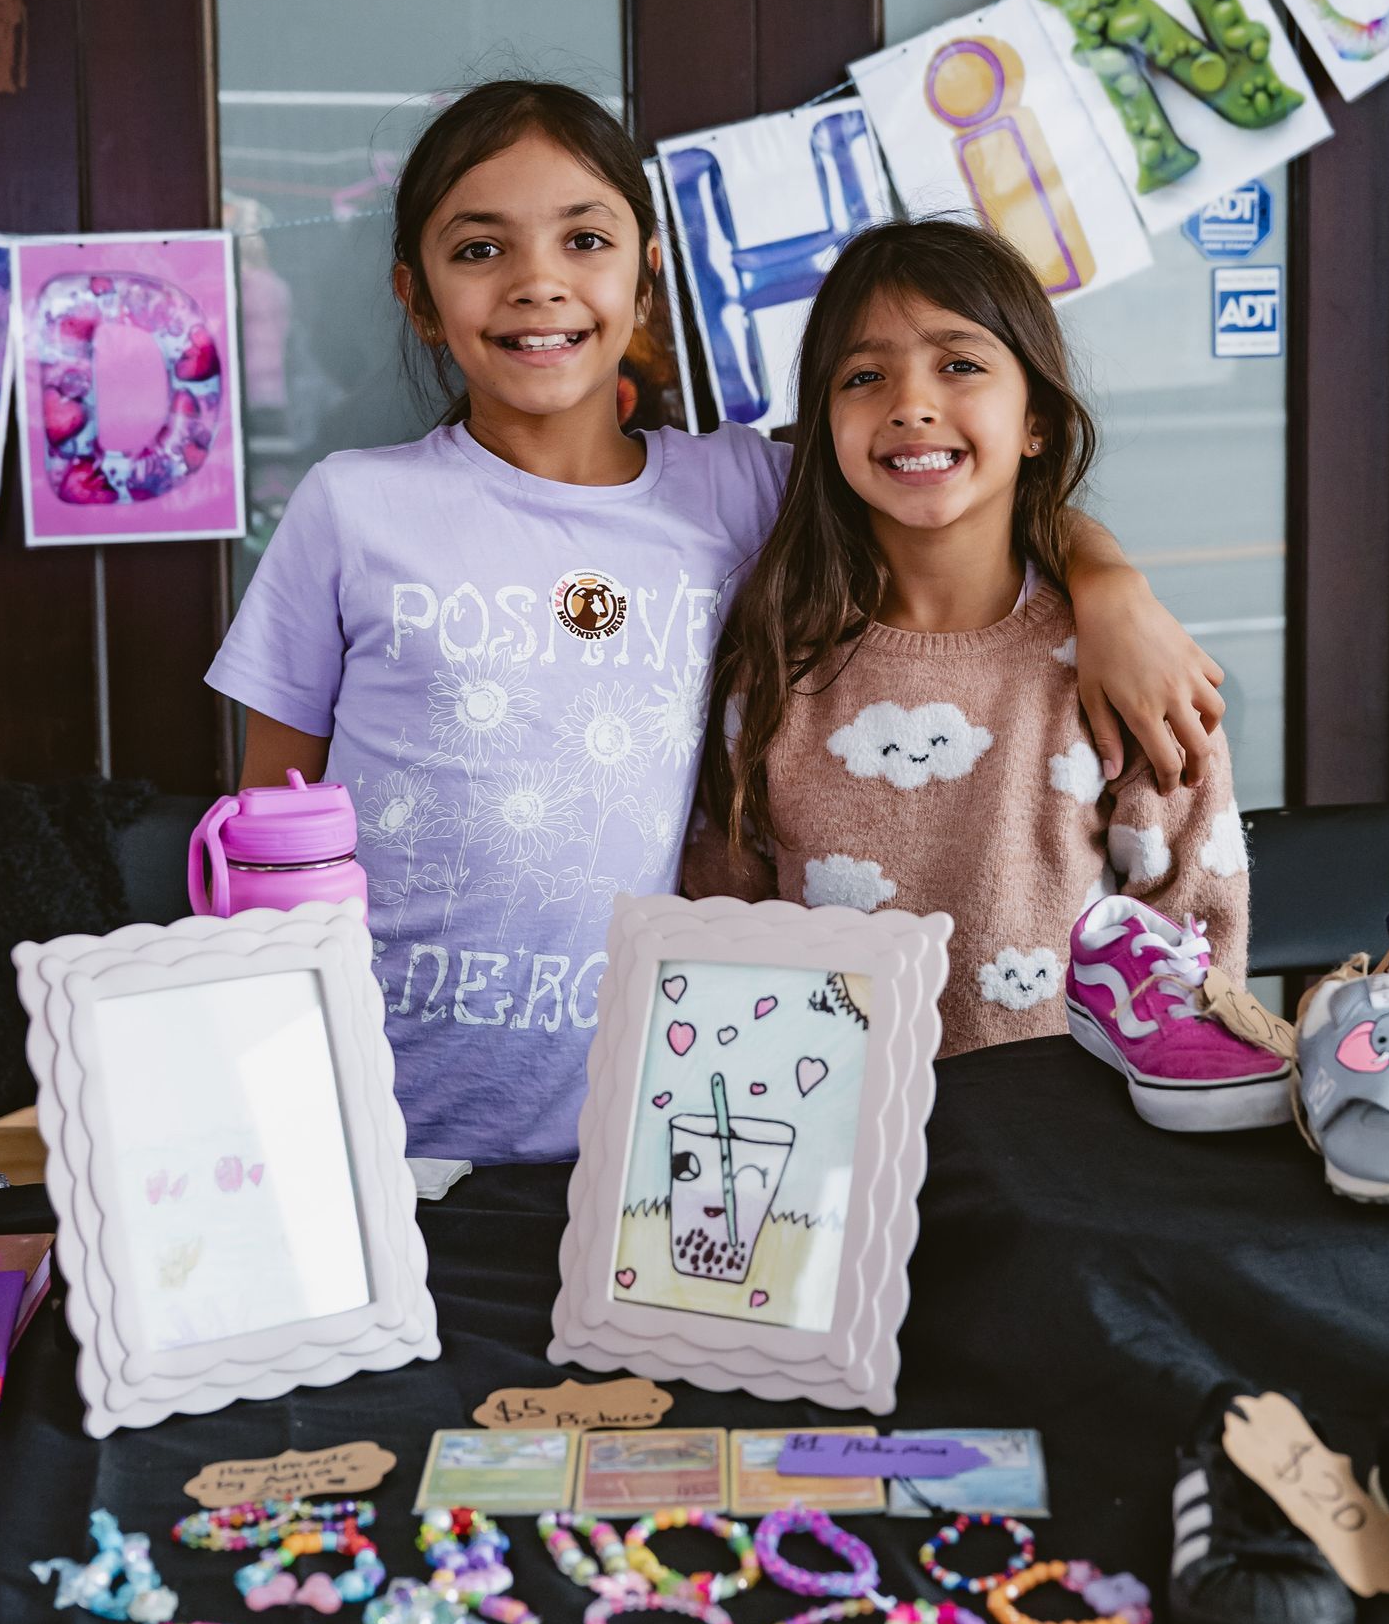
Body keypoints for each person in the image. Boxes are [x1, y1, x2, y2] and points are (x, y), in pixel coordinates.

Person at [207, 82, 1225, 1164]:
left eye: (584, 240)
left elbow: (943, 481)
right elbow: (273, 840)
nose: (538, 281)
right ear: (417, 297)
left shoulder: (740, 489)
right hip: (367, 1119)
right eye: (479, 250)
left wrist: (1109, 586)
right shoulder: (352, 507)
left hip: (647, 1133)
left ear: (646, 278)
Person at [688, 215, 1251, 1061]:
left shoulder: (1122, 661)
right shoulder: (772, 661)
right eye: (864, 376)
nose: (911, 406)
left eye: (959, 365)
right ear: (825, 427)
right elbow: (725, 938)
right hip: (833, 1130)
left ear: (1037, 422)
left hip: (1069, 1133)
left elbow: (1196, 941)